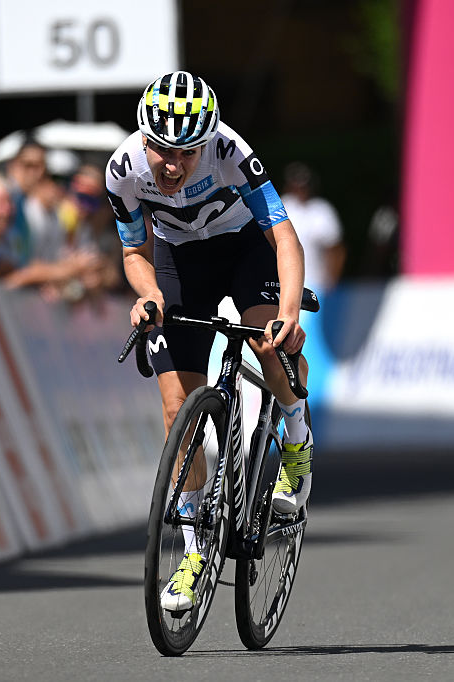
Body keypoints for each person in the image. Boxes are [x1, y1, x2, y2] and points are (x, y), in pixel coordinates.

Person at [106, 71, 314, 612]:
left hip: (245, 249)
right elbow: (134, 252)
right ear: (143, 138)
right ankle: (194, 552)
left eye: (187, 154)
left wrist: (288, 313)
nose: (172, 166)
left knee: (271, 342)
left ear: (208, 142)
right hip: (180, 263)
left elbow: (283, 235)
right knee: (178, 408)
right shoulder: (123, 171)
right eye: (161, 151)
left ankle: (296, 438)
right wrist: (149, 296)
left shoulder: (232, 153)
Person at [280, 161, 345, 293]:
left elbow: (336, 249)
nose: (300, 189)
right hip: (284, 283)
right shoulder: (282, 206)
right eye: (296, 184)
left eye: (304, 184)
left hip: (316, 285)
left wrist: (332, 280)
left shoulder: (322, 210)